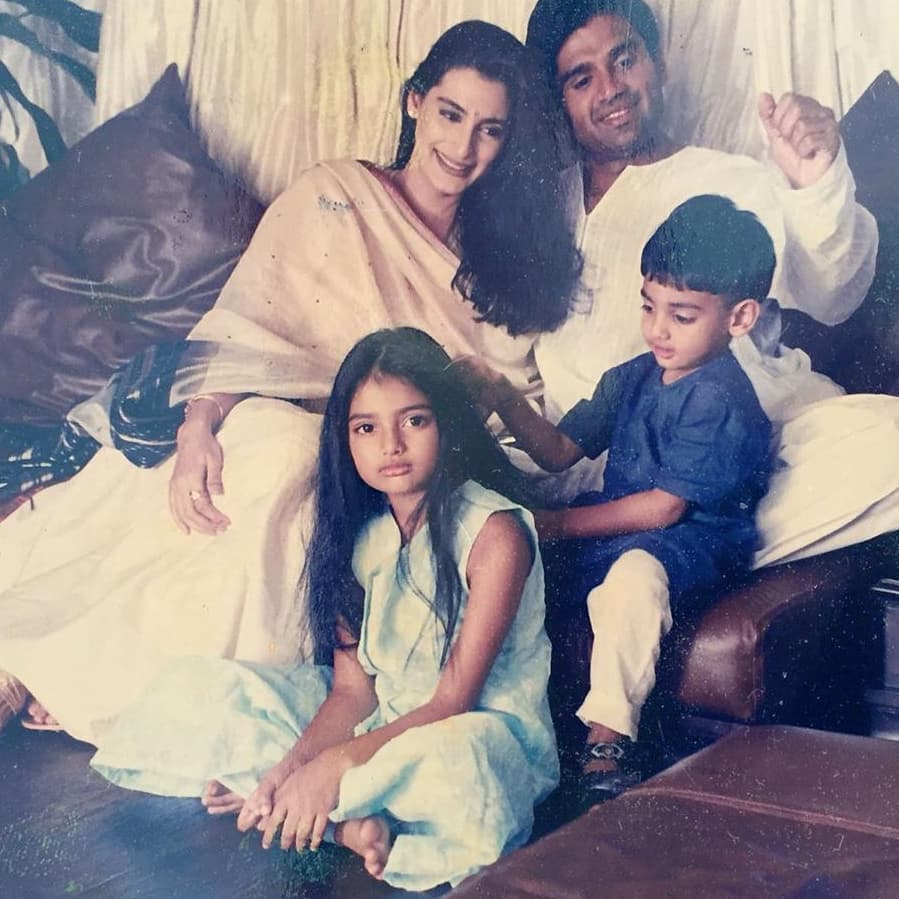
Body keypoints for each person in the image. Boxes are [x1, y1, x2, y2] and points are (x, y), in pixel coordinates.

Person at [0, 20, 581, 742]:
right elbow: (243, 327)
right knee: (257, 451)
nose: (462, 148)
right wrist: (197, 427)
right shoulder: (333, 192)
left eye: (489, 130)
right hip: (270, 418)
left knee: (296, 463)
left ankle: (104, 681)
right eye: (449, 115)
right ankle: (51, 655)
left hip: (382, 455)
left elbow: (511, 405)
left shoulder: (498, 261)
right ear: (414, 104)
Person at [89, 327, 558, 892]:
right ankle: (327, 815)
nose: (392, 445)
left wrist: (332, 767)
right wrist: (293, 766)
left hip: (467, 729)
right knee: (200, 691)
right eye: (366, 427)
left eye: (414, 420)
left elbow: (453, 700)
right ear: (345, 438)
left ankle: (305, 808)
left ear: (448, 422)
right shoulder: (364, 536)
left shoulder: (496, 533)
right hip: (380, 718)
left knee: (464, 773)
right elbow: (352, 692)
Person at [525, 0, 899, 566]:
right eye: (582, 78)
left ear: (657, 64)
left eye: (624, 59)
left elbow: (834, 295)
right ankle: (676, 533)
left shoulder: (725, 177)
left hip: (755, 442)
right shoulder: (540, 212)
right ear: (560, 102)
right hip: (608, 461)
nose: (611, 89)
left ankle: (691, 532)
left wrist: (815, 179)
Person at [462, 195, 774, 798]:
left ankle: (607, 740)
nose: (657, 328)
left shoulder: (719, 396)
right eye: (648, 306)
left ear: (739, 319)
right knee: (510, 561)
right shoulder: (632, 375)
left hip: (691, 546)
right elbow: (556, 452)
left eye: (681, 316)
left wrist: (550, 524)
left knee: (632, 578)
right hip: (617, 532)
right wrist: (502, 395)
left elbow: (665, 509)